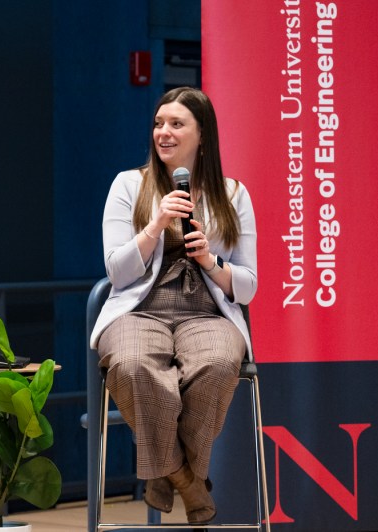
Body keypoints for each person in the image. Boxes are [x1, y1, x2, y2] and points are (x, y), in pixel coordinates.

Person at [90, 87, 257, 525]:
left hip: (206, 309)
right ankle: (188, 481)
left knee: (219, 365)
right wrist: (156, 225)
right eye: (158, 123)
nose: (163, 132)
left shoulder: (233, 194)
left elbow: (248, 286)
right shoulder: (129, 184)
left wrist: (211, 261)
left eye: (176, 124)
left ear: (203, 135)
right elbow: (117, 273)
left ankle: (165, 474)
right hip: (140, 306)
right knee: (130, 365)